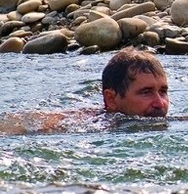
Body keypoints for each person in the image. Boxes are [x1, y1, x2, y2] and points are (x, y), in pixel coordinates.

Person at [0, 47, 169, 134]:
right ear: (111, 99)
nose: (160, 103)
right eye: (146, 92)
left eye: (163, 91)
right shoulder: (84, 124)